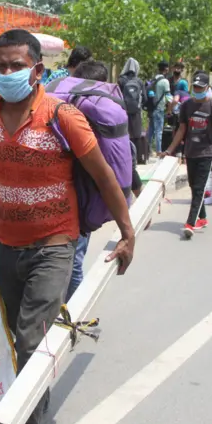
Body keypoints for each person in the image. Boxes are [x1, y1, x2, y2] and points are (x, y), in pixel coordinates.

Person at [0, 30, 135, 424]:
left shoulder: (62, 117)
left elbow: (104, 176)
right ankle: (17, 398)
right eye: (1, 66)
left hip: (55, 244)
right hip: (7, 243)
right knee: (9, 329)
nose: (7, 73)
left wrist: (127, 231)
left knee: (30, 336)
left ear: (37, 69)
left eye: (16, 65)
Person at [67, 60, 143, 301]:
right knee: (75, 259)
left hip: (67, 193)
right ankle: (72, 312)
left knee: (71, 261)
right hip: (88, 198)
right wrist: (137, 190)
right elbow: (121, 158)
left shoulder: (70, 105)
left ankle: (72, 312)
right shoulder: (105, 110)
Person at [161, 71, 212, 239]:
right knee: (194, 186)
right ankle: (202, 217)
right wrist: (170, 150)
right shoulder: (186, 106)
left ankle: (190, 222)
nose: (197, 89)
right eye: (195, 87)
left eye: (200, 87)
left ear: (207, 88)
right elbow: (182, 130)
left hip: (207, 152)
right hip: (190, 151)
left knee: (198, 188)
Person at [118, 57, 147, 165]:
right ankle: (138, 158)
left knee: (125, 133)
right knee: (136, 135)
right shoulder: (138, 81)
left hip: (123, 110)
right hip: (136, 112)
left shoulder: (121, 80)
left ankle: (126, 157)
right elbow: (144, 97)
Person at [147, 61, 172, 155]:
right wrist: (169, 110)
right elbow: (168, 97)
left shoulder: (153, 79)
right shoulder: (165, 81)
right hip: (159, 108)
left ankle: (147, 149)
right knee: (158, 131)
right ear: (166, 69)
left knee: (150, 130)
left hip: (151, 108)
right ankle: (158, 151)